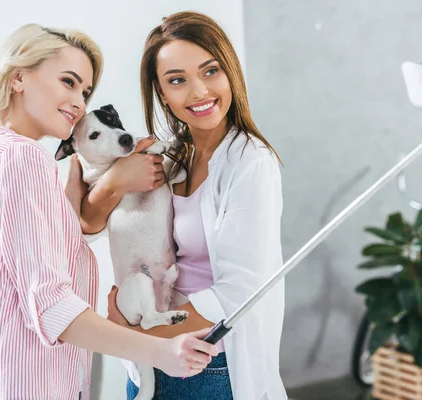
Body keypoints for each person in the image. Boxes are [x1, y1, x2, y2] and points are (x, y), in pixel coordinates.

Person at [0, 23, 219, 400]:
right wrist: (160, 352)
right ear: (19, 77)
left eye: (86, 91)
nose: (79, 102)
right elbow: (52, 305)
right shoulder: (22, 159)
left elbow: (30, 271)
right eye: (68, 82)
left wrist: (105, 186)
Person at [79, 11, 287, 400]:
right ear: (161, 92)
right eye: (177, 80)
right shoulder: (170, 156)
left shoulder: (251, 163)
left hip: (206, 364)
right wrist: (114, 180)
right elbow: (86, 225)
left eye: (210, 71)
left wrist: (136, 336)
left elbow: (240, 291)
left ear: (230, 73)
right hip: (151, 362)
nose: (198, 92)